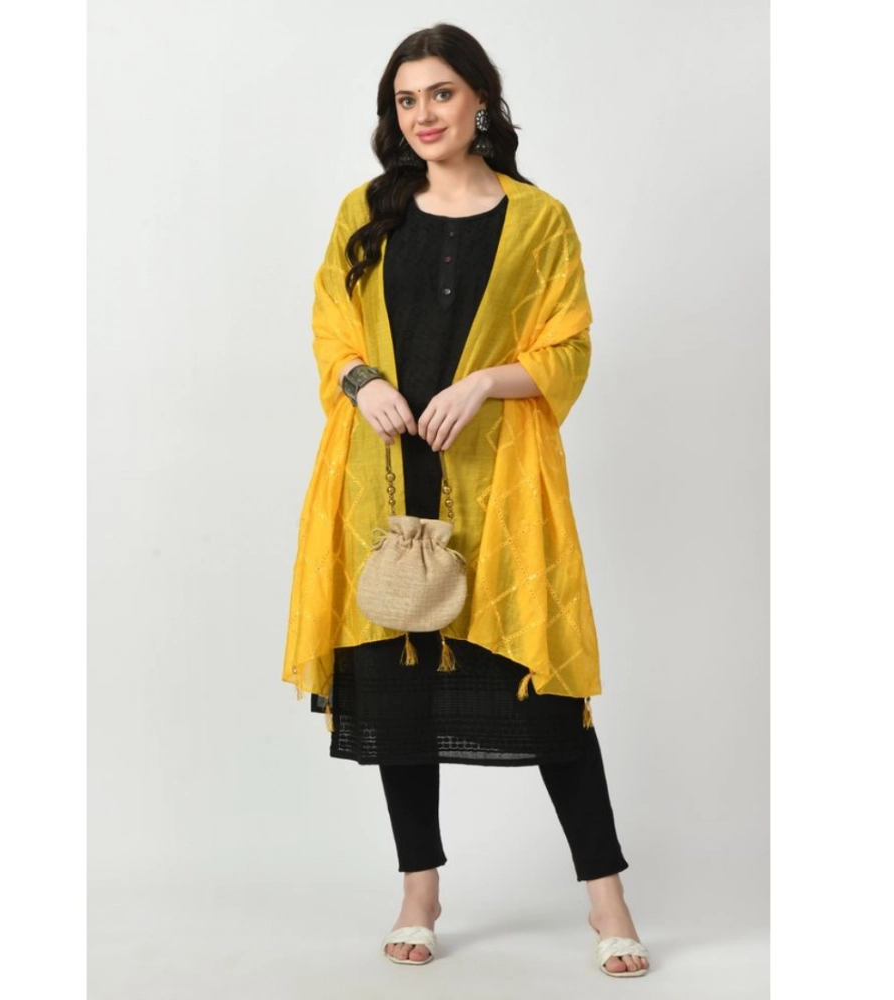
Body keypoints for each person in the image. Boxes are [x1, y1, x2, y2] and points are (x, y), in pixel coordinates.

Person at [283, 23, 650, 978]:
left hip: (498, 486)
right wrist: (362, 380)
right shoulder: (367, 210)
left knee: (546, 686)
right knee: (399, 690)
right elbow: (330, 323)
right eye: (405, 100)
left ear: (480, 98)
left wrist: (486, 382)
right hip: (383, 476)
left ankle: (607, 901)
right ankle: (420, 891)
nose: (423, 115)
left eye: (440, 93)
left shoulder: (539, 220)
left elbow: (568, 345)